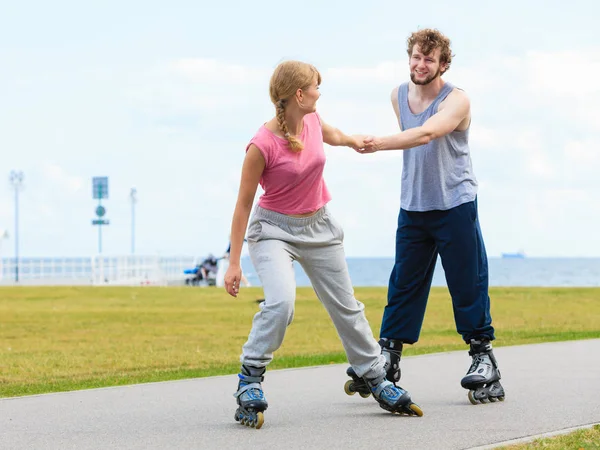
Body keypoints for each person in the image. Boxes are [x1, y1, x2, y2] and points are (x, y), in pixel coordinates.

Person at [224, 60, 423, 429]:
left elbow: (328, 132)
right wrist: (234, 263)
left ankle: (375, 377)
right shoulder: (262, 144)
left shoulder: (312, 120)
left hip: (319, 226)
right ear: (299, 94)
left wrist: (352, 141)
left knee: (346, 306)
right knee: (281, 303)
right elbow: (242, 205)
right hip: (273, 231)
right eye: (316, 87)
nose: (319, 93)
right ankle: (249, 378)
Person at [356, 28, 505, 405]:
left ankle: (484, 359)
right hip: (414, 205)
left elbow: (425, 134)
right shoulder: (398, 95)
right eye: (416, 57)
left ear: (443, 64)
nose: (421, 64)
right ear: (410, 57)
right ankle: (387, 357)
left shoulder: (457, 100)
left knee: (466, 281)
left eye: (429, 59)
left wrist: (377, 144)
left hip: (455, 203)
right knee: (404, 282)